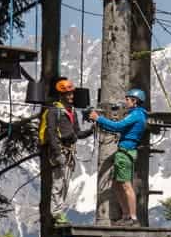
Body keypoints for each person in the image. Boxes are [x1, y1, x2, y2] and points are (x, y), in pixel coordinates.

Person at [89, 88, 148, 226]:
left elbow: (117, 126)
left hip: (125, 152)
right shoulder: (138, 114)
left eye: (128, 99)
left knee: (126, 186)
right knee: (117, 185)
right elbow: (119, 127)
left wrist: (99, 118)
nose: (125, 101)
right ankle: (126, 216)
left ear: (135, 101)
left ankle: (132, 218)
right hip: (125, 152)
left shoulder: (136, 115)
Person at [41, 78, 94, 226]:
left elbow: (77, 133)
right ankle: (57, 214)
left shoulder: (72, 112)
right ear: (61, 95)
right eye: (68, 94)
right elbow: (51, 132)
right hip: (60, 151)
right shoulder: (54, 111)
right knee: (59, 183)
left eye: (71, 93)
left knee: (64, 183)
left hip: (68, 151)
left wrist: (91, 131)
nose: (71, 96)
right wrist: (57, 153)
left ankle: (59, 213)